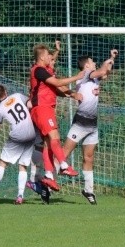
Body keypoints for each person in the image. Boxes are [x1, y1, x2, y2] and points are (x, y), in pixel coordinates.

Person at [62, 49, 118, 205]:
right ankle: (47, 179)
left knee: (89, 157)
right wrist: (108, 61)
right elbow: (102, 70)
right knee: (64, 153)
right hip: (81, 122)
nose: (94, 63)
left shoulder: (94, 79)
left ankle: (88, 190)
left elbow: (105, 73)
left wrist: (111, 59)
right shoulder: (85, 76)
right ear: (87, 65)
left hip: (93, 124)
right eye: (92, 61)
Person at [29, 40, 85, 191]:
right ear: (42, 58)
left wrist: (72, 94)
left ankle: (48, 175)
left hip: (44, 109)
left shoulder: (43, 69)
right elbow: (58, 82)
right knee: (55, 138)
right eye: (48, 56)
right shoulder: (39, 70)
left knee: (48, 143)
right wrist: (77, 77)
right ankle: (64, 166)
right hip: (42, 109)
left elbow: (57, 86)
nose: (51, 59)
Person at [0, 85, 37, 204]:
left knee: (2, 163)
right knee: (23, 165)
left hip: (17, 136)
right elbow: (30, 105)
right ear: (6, 91)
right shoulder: (17, 96)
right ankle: (20, 196)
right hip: (31, 134)